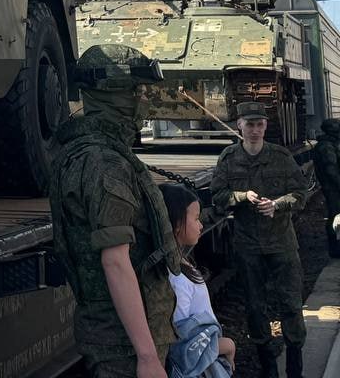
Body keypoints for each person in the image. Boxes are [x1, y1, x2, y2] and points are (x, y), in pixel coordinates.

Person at [50, 44, 182, 378]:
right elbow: (115, 260)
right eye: (136, 90)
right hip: (122, 344)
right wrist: (148, 356)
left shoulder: (91, 152)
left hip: (116, 337)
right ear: (114, 93)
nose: (142, 100)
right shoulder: (104, 162)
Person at [211, 101, 309, 378]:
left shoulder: (280, 156)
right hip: (248, 246)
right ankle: (268, 367)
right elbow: (218, 197)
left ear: (265, 126)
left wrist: (277, 205)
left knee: (291, 304)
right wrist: (241, 197)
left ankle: (294, 367)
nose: (254, 130)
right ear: (239, 126)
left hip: (281, 244)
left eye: (259, 124)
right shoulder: (229, 159)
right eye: (249, 124)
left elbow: (300, 193)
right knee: (255, 307)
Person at [160, 183, 235, 374]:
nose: (201, 224)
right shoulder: (176, 280)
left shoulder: (179, 266)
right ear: (177, 224)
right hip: (200, 367)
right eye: (195, 218)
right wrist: (224, 346)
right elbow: (182, 344)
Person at [312, 118, 340, 257]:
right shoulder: (326, 147)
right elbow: (331, 170)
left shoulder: (329, 144)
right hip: (333, 188)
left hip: (333, 187)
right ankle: (336, 250)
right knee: (336, 217)